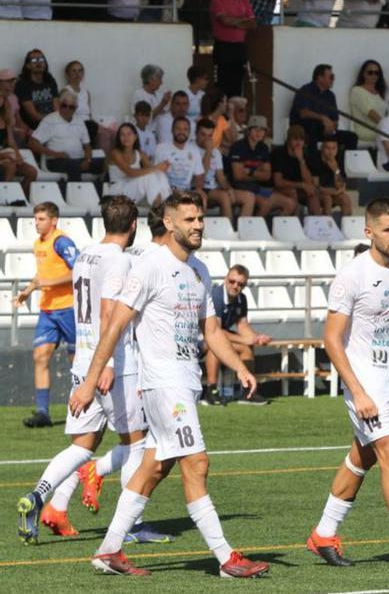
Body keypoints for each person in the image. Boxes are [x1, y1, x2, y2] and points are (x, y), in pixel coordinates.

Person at [67, 191, 269, 578]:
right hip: (163, 385)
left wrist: (238, 367)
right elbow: (114, 325)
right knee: (197, 463)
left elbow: (211, 330)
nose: (198, 226)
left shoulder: (200, 271)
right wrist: (91, 380)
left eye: (200, 219)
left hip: (186, 381)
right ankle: (226, 558)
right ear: (170, 223)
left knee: (154, 468)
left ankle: (109, 551)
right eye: (189, 220)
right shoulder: (149, 266)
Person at [17, 196, 167, 544]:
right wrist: (110, 363)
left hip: (83, 360)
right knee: (137, 441)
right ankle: (132, 523)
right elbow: (107, 313)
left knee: (83, 445)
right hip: (111, 364)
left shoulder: (85, 254)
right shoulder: (118, 261)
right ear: (133, 226)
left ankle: (39, 497)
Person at [303, 198, 389, 570]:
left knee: (362, 456)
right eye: (388, 230)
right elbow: (331, 340)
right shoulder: (352, 275)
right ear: (369, 232)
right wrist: (358, 391)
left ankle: (323, 534)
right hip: (364, 383)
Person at [15, 202, 77, 428]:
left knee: (76, 362)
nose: (36, 223)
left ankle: (85, 408)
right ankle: (43, 413)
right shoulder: (37, 244)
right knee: (40, 357)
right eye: (35, 219)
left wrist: (47, 282)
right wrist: (27, 291)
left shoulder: (62, 242)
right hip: (48, 310)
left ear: (54, 221)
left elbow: (78, 269)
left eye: (41, 219)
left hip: (69, 308)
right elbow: (42, 274)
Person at [202, 265, 272, 407]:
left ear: (245, 285)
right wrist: (246, 339)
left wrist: (256, 338)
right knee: (215, 347)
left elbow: (243, 326)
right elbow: (215, 331)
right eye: (232, 281)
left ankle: (247, 391)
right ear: (225, 279)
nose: (235, 286)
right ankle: (211, 391)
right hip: (199, 339)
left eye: (240, 284)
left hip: (216, 335)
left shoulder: (242, 299)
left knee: (247, 348)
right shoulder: (216, 296)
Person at [230, 115, 297, 216]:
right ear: (248, 131)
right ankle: (249, 229)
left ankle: (273, 230)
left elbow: (267, 176)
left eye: (262, 130)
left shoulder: (263, 148)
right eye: (255, 129)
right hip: (240, 188)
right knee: (265, 203)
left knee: (290, 204)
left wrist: (250, 171)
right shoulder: (238, 146)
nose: (259, 132)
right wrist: (258, 173)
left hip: (257, 188)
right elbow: (238, 176)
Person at [209, 0, 256, 98]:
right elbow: (224, 21)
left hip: (239, 47)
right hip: (223, 46)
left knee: (237, 84)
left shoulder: (244, 0)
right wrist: (242, 21)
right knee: (221, 86)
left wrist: (234, 22)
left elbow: (253, 24)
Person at [28, 89, 92, 182]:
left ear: (76, 108)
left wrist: (88, 160)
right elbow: (32, 143)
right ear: (59, 105)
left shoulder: (79, 121)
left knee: (103, 163)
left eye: (71, 107)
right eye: (64, 105)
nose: (67, 109)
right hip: (55, 161)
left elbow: (87, 145)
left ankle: (107, 194)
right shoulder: (50, 120)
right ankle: (75, 194)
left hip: (78, 159)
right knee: (74, 166)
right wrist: (55, 154)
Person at [195, 118, 251, 219]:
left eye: (210, 135)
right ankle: (228, 232)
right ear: (196, 134)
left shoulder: (216, 152)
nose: (207, 139)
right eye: (203, 135)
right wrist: (208, 151)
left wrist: (229, 189)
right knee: (224, 196)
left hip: (214, 188)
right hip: (199, 189)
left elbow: (221, 178)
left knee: (249, 197)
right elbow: (201, 178)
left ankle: (241, 231)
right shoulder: (191, 150)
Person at [108, 122, 170, 206]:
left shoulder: (140, 153)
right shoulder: (115, 153)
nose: (126, 137)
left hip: (133, 191)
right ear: (119, 138)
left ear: (135, 137)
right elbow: (130, 172)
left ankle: (167, 204)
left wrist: (162, 166)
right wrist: (157, 168)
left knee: (159, 174)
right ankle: (158, 209)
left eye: (129, 134)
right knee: (149, 176)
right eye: (122, 135)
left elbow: (153, 170)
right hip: (118, 192)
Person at [0, 68, 38, 194]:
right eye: (8, 81)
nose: (11, 84)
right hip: (3, 157)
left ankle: (19, 197)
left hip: (5, 155)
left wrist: (17, 156)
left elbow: (11, 141)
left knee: (32, 171)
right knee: (10, 167)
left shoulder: (7, 110)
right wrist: (6, 156)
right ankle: (5, 198)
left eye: (13, 81)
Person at [272, 125, 323, 215]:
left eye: (301, 139)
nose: (299, 142)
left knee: (312, 193)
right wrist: (302, 185)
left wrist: (301, 161)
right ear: (289, 139)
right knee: (292, 191)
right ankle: (295, 223)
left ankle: (316, 224)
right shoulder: (279, 153)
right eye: (295, 139)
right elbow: (278, 182)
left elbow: (310, 182)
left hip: (299, 189)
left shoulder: (307, 155)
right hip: (279, 189)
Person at [153, 116, 204, 194]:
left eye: (185, 129)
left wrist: (198, 190)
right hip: (166, 192)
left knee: (202, 197)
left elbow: (199, 177)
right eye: (178, 129)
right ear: (172, 130)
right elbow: (155, 174)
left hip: (186, 193)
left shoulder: (194, 150)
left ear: (189, 132)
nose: (181, 132)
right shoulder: (161, 148)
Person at [15, 48, 59, 130]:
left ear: (45, 64)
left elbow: (56, 108)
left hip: (53, 124)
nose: (39, 63)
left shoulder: (50, 81)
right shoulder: (22, 84)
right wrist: (54, 121)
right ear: (28, 65)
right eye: (34, 60)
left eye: (41, 59)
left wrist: (57, 122)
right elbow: (33, 115)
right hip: (34, 127)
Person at [308, 136, 353, 216]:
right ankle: (328, 227)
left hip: (333, 192)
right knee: (327, 199)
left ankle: (346, 226)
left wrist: (335, 170)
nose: (331, 152)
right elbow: (315, 186)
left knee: (346, 200)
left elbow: (340, 184)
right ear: (322, 148)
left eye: (333, 148)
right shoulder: (315, 160)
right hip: (319, 193)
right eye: (328, 148)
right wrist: (330, 191)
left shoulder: (338, 159)